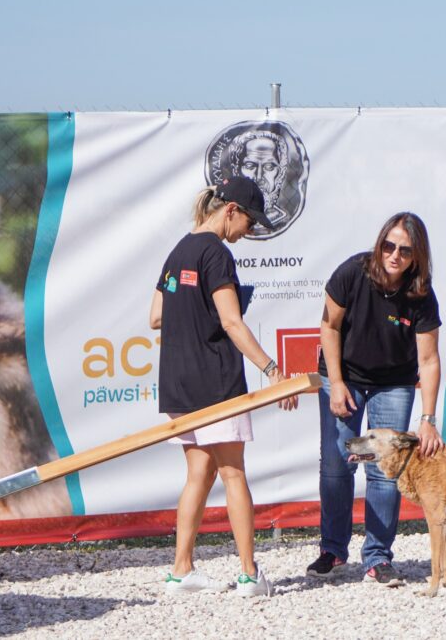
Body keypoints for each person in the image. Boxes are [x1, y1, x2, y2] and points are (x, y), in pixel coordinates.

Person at [149, 175, 298, 598]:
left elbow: (156, 316)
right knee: (233, 473)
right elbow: (232, 322)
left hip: (177, 382)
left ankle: (181, 571)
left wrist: (195, 311)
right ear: (230, 210)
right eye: (249, 224)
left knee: (198, 472)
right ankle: (250, 575)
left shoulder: (179, 250)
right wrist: (272, 369)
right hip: (215, 381)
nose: (247, 233)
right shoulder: (216, 253)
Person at [307, 212, 444, 586]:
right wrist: (335, 382)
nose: (394, 254)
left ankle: (378, 558)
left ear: (416, 256)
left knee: (384, 470)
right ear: (380, 242)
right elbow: (329, 327)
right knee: (336, 464)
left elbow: (429, 360)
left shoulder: (420, 293)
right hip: (345, 376)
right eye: (389, 245)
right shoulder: (352, 272)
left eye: (404, 249)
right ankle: (332, 550)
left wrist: (428, 419)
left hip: (394, 382)